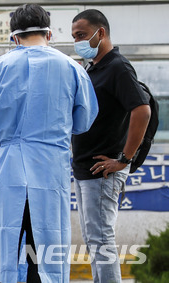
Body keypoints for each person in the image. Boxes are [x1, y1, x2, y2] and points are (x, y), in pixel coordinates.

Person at [0, 4, 99, 283]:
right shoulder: (71, 69)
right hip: (50, 169)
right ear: (49, 33)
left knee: (3, 245)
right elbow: (84, 121)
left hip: (9, 168)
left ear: (13, 37)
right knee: (45, 249)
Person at [71, 9, 151, 282]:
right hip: (85, 168)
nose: (77, 42)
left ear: (100, 33)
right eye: (74, 37)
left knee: (101, 238)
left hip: (104, 170)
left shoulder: (117, 66)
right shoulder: (91, 68)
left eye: (81, 35)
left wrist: (124, 159)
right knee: (94, 239)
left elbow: (142, 110)